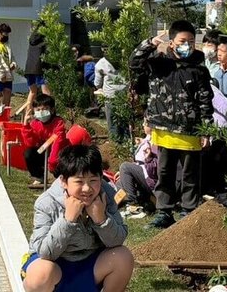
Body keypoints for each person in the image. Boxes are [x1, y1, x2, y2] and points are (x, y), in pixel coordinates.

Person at [129, 19, 213, 228]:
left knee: (190, 174)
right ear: (172, 42)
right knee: (164, 172)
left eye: (192, 42)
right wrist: (150, 43)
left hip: (190, 130)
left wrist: (206, 130)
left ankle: (188, 210)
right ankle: (164, 211)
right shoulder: (158, 64)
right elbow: (134, 63)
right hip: (164, 128)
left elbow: (205, 100)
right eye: (183, 41)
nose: (188, 46)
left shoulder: (199, 69)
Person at [21, 144, 133, 292]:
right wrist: (68, 220)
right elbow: (45, 253)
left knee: (123, 257)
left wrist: (101, 220)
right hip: (55, 267)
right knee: (39, 275)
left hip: (91, 266)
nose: (87, 188)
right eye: (79, 182)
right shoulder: (47, 203)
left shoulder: (106, 196)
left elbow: (117, 240)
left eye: (93, 180)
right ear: (63, 181)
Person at [21, 94, 69, 189]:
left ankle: (62, 178)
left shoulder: (58, 123)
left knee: (59, 166)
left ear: (52, 109)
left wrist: (52, 162)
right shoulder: (35, 123)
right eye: (38, 110)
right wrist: (26, 126)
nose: (41, 112)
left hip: (58, 153)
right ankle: (39, 176)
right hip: (44, 151)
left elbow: (58, 142)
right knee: (28, 153)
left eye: (44, 109)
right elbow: (30, 143)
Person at [117, 123, 158, 210]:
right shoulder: (148, 138)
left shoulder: (156, 141)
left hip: (153, 180)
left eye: (145, 123)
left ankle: (132, 203)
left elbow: (153, 166)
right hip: (145, 173)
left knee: (125, 167)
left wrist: (148, 158)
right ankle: (144, 202)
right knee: (120, 182)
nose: (143, 124)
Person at [94, 52, 128, 140]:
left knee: (113, 124)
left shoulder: (101, 63)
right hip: (125, 96)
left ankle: (116, 145)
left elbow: (97, 83)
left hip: (110, 96)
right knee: (125, 124)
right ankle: (127, 145)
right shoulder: (125, 59)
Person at [23, 23, 50, 122]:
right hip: (40, 68)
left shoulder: (32, 41)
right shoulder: (45, 41)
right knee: (46, 93)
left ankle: (27, 116)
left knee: (32, 92)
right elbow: (47, 57)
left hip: (29, 69)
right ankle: (49, 114)